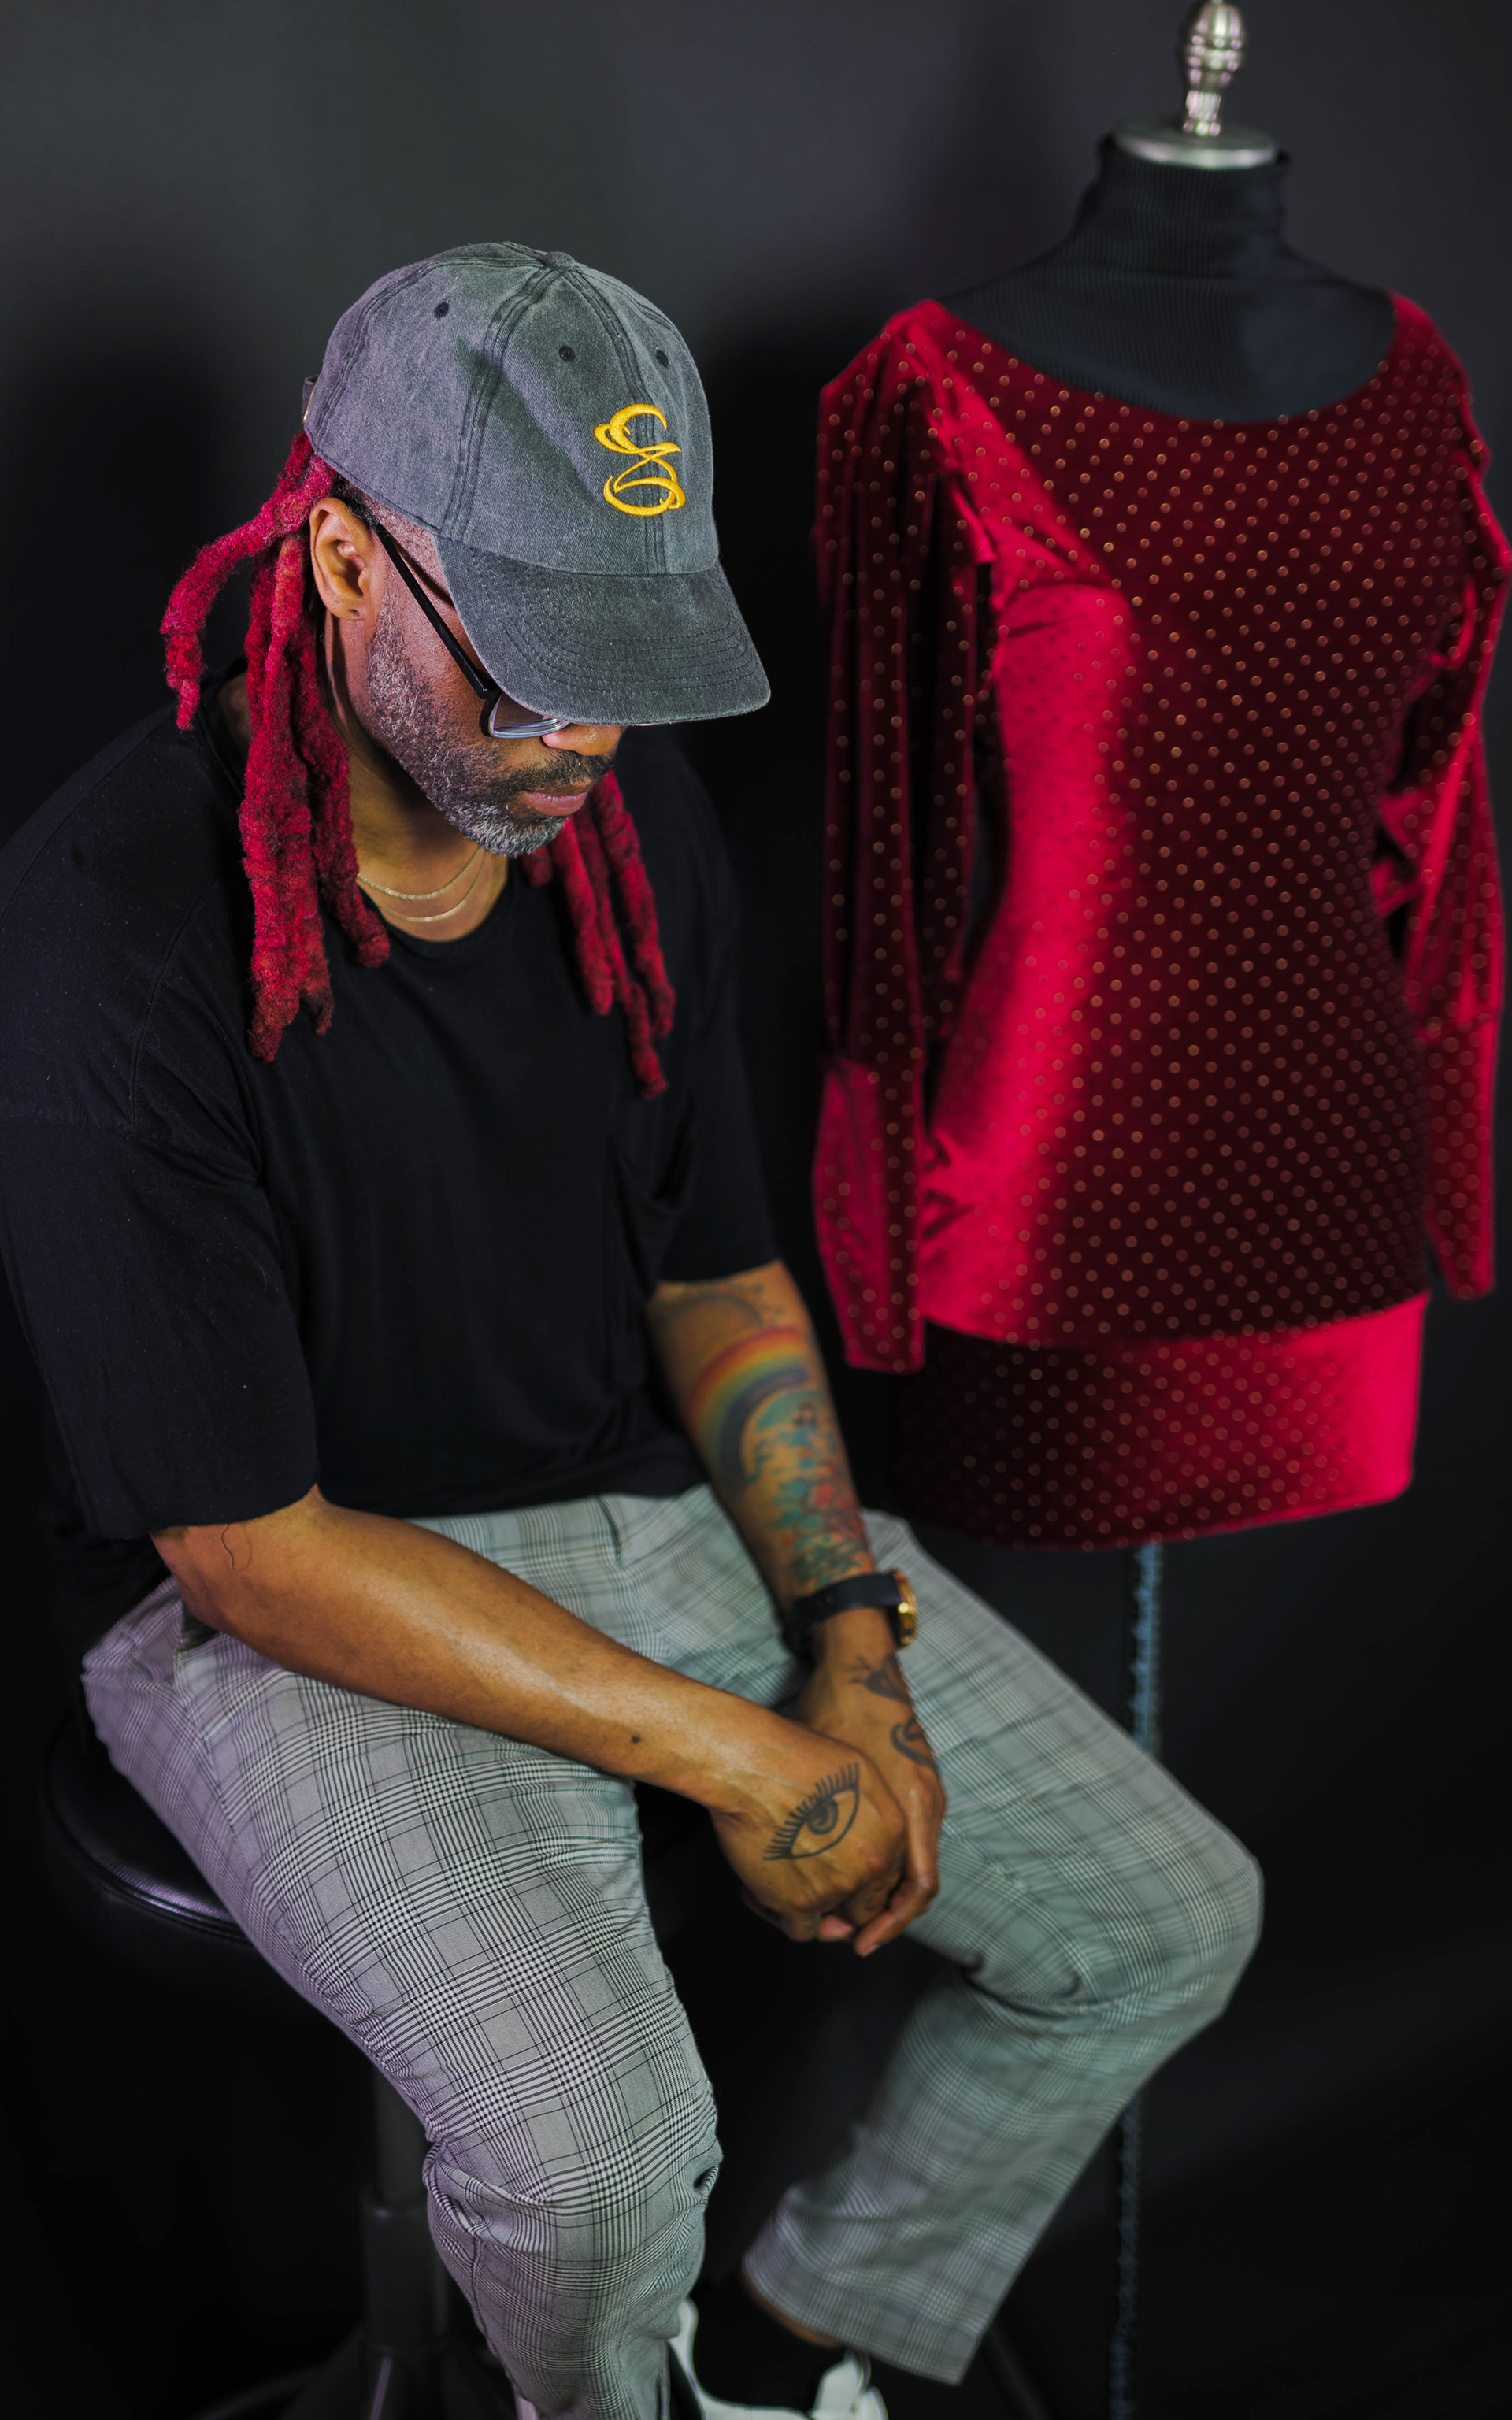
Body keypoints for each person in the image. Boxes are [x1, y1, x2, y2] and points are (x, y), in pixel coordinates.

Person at [0, 244, 1261, 2420]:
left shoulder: (614, 815)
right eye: (528, 666)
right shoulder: (111, 932)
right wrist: (741, 1753)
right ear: (340, 559)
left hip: (629, 1507)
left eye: (625, 668)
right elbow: (249, 1550)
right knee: (596, 2170)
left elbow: (717, 1275)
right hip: (275, 1603)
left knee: (1162, 1915)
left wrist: (848, 1645)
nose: (582, 732)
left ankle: (768, 2364)